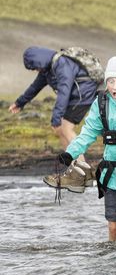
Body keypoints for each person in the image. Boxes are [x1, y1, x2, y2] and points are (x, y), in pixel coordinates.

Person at [55, 55, 116, 240]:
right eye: (111, 81)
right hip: (111, 176)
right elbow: (88, 132)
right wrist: (70, 153)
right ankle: (114, 268)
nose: (115, 87)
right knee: (114, 228)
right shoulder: (101, 103)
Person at [9, 47, 99, 191]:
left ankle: (83, 172)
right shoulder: (47, 69)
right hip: (76, 95)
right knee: (61, 130)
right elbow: (35, 87)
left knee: (66, 127)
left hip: (83, 94)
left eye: (34, 67)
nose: (34, 70)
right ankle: (73, 168)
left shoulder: (61, 64)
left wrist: (56, 118)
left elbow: (64, 90)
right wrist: (20, 102)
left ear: (39, 61)